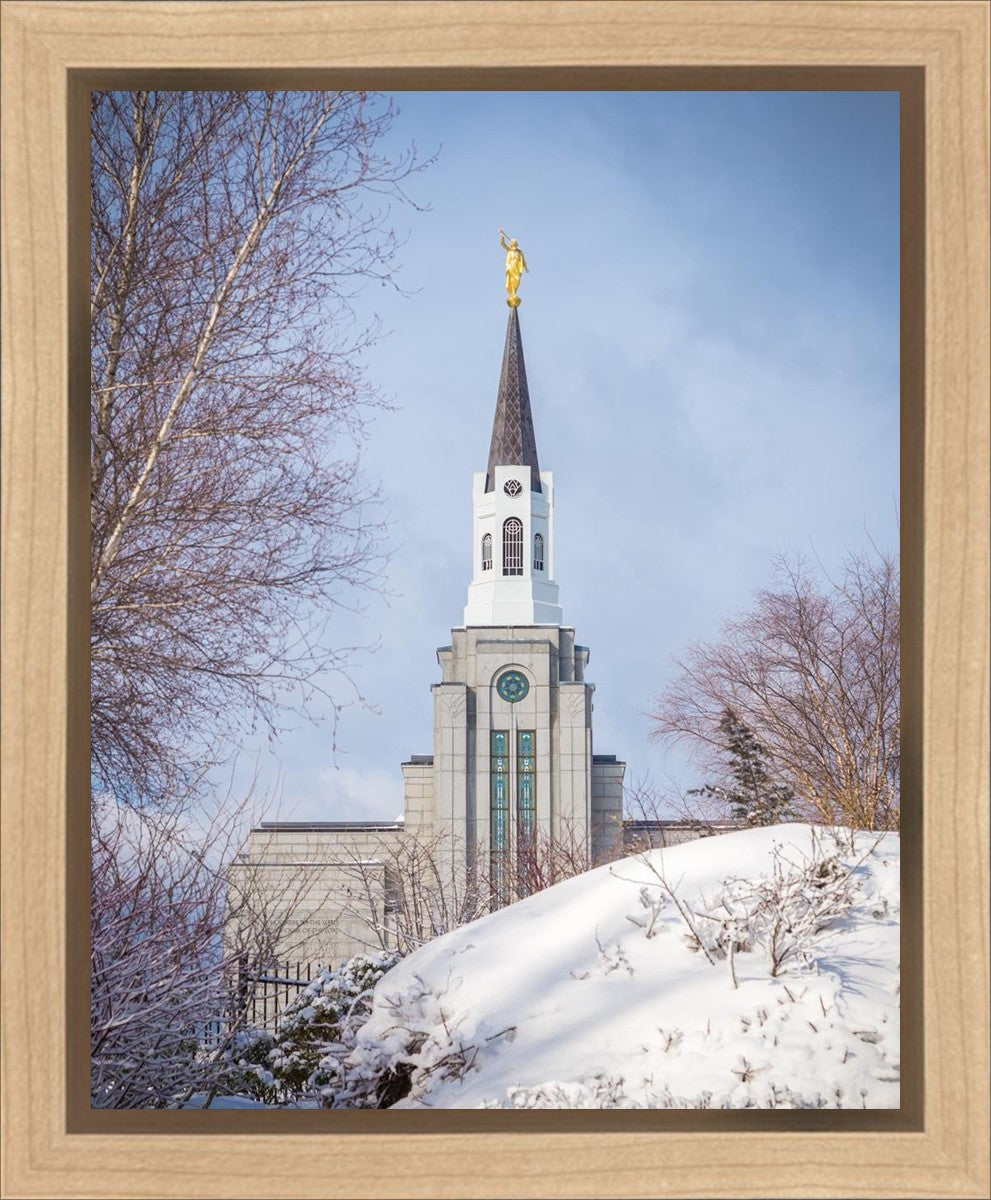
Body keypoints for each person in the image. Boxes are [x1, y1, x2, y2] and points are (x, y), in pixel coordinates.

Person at [499, 228, 528, 300]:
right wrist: (503, 237)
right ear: (511, 243)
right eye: (513, 241)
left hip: (517, 267)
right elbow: (502, 244)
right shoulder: (509, 250)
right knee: (511, 278)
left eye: (515, 241)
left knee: (517, 279)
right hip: (511, 265)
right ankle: (512, 291)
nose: (514, 242)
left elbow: (523, 260)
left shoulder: (520, 252)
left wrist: (526, 267)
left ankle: (515, 291)